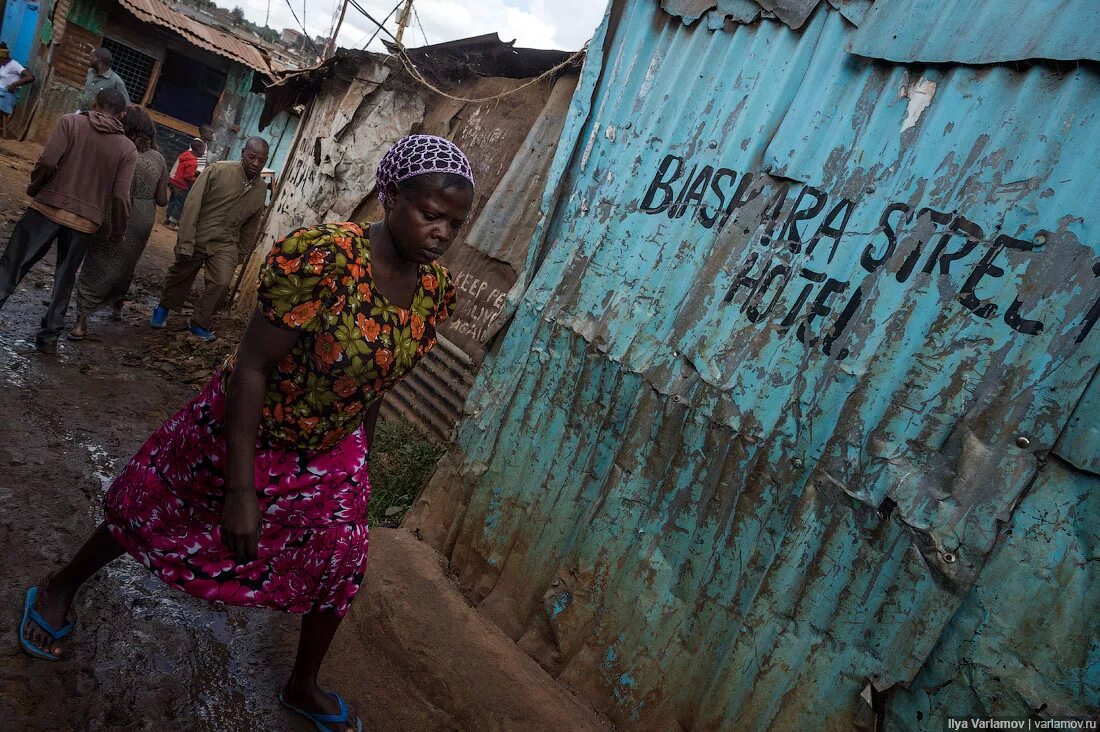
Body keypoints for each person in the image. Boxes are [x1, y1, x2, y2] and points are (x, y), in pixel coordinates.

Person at [18, 134, 474, 732]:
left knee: (342, 557)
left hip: (329, 446)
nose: (441, 232)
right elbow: (253, 366)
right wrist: (240, 490)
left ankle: (302, 684)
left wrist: (363, 454)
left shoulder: (434, 294)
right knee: (155, 508)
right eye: (430, 214)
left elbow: (375, 382)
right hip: (245, 423)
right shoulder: (324, 259)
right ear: (389, 197)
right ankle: (61, 585)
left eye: (455, 223)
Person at [0, 88, 136, 353]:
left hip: (45, 208)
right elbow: (121, 196)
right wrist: (118, 230)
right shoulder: (127, 149)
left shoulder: (69, 122)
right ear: (121, 115)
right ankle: (49, 337)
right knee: (64, 278)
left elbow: (48, 161)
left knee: (12, 265)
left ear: (94, 103)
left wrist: (35, 188)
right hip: (84, 223)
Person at [150, 137, 269, 341]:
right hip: (199, 234)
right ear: (243, 153)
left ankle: (199, 322)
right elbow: (192, 205)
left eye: (262, 160)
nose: (256, 164)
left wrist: (240, 253)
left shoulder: (260, 190)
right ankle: (164, 307)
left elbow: (251, 224)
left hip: (226, 243)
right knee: (181, 273)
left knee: (222, 282)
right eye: (252, 157)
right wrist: (186, 239)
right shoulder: (218, 171)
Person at [69, 106, 168, 339]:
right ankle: (116, 306)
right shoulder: (158, 159)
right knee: (126, 263)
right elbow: (163, 200)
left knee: (96, 262)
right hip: (142, 219)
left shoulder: (117, 149)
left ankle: (81, 323)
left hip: (111, 211)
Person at [165, 138, 204, 227]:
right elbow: (187, 177)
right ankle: (173, 222)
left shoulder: (186, 155)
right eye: (203, 150)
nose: (203, 152)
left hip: (174, 181)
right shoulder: (193, 162)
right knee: (180, 204)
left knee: (173, 200)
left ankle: (167, 218)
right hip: (181, 185)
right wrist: (196, 179)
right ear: (198, 150)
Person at [78, 48, 129, 112]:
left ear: (98, 58)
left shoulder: (116, 81)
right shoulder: (91, 72)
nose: (89, 59)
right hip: (80, 112)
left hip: (97, 119)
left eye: (92, 56)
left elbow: (126, 105)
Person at [0, 43, 35, 127]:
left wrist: (14, 84)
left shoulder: (13, 64)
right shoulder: (1, 65)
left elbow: (30, 77)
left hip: (8, 95)